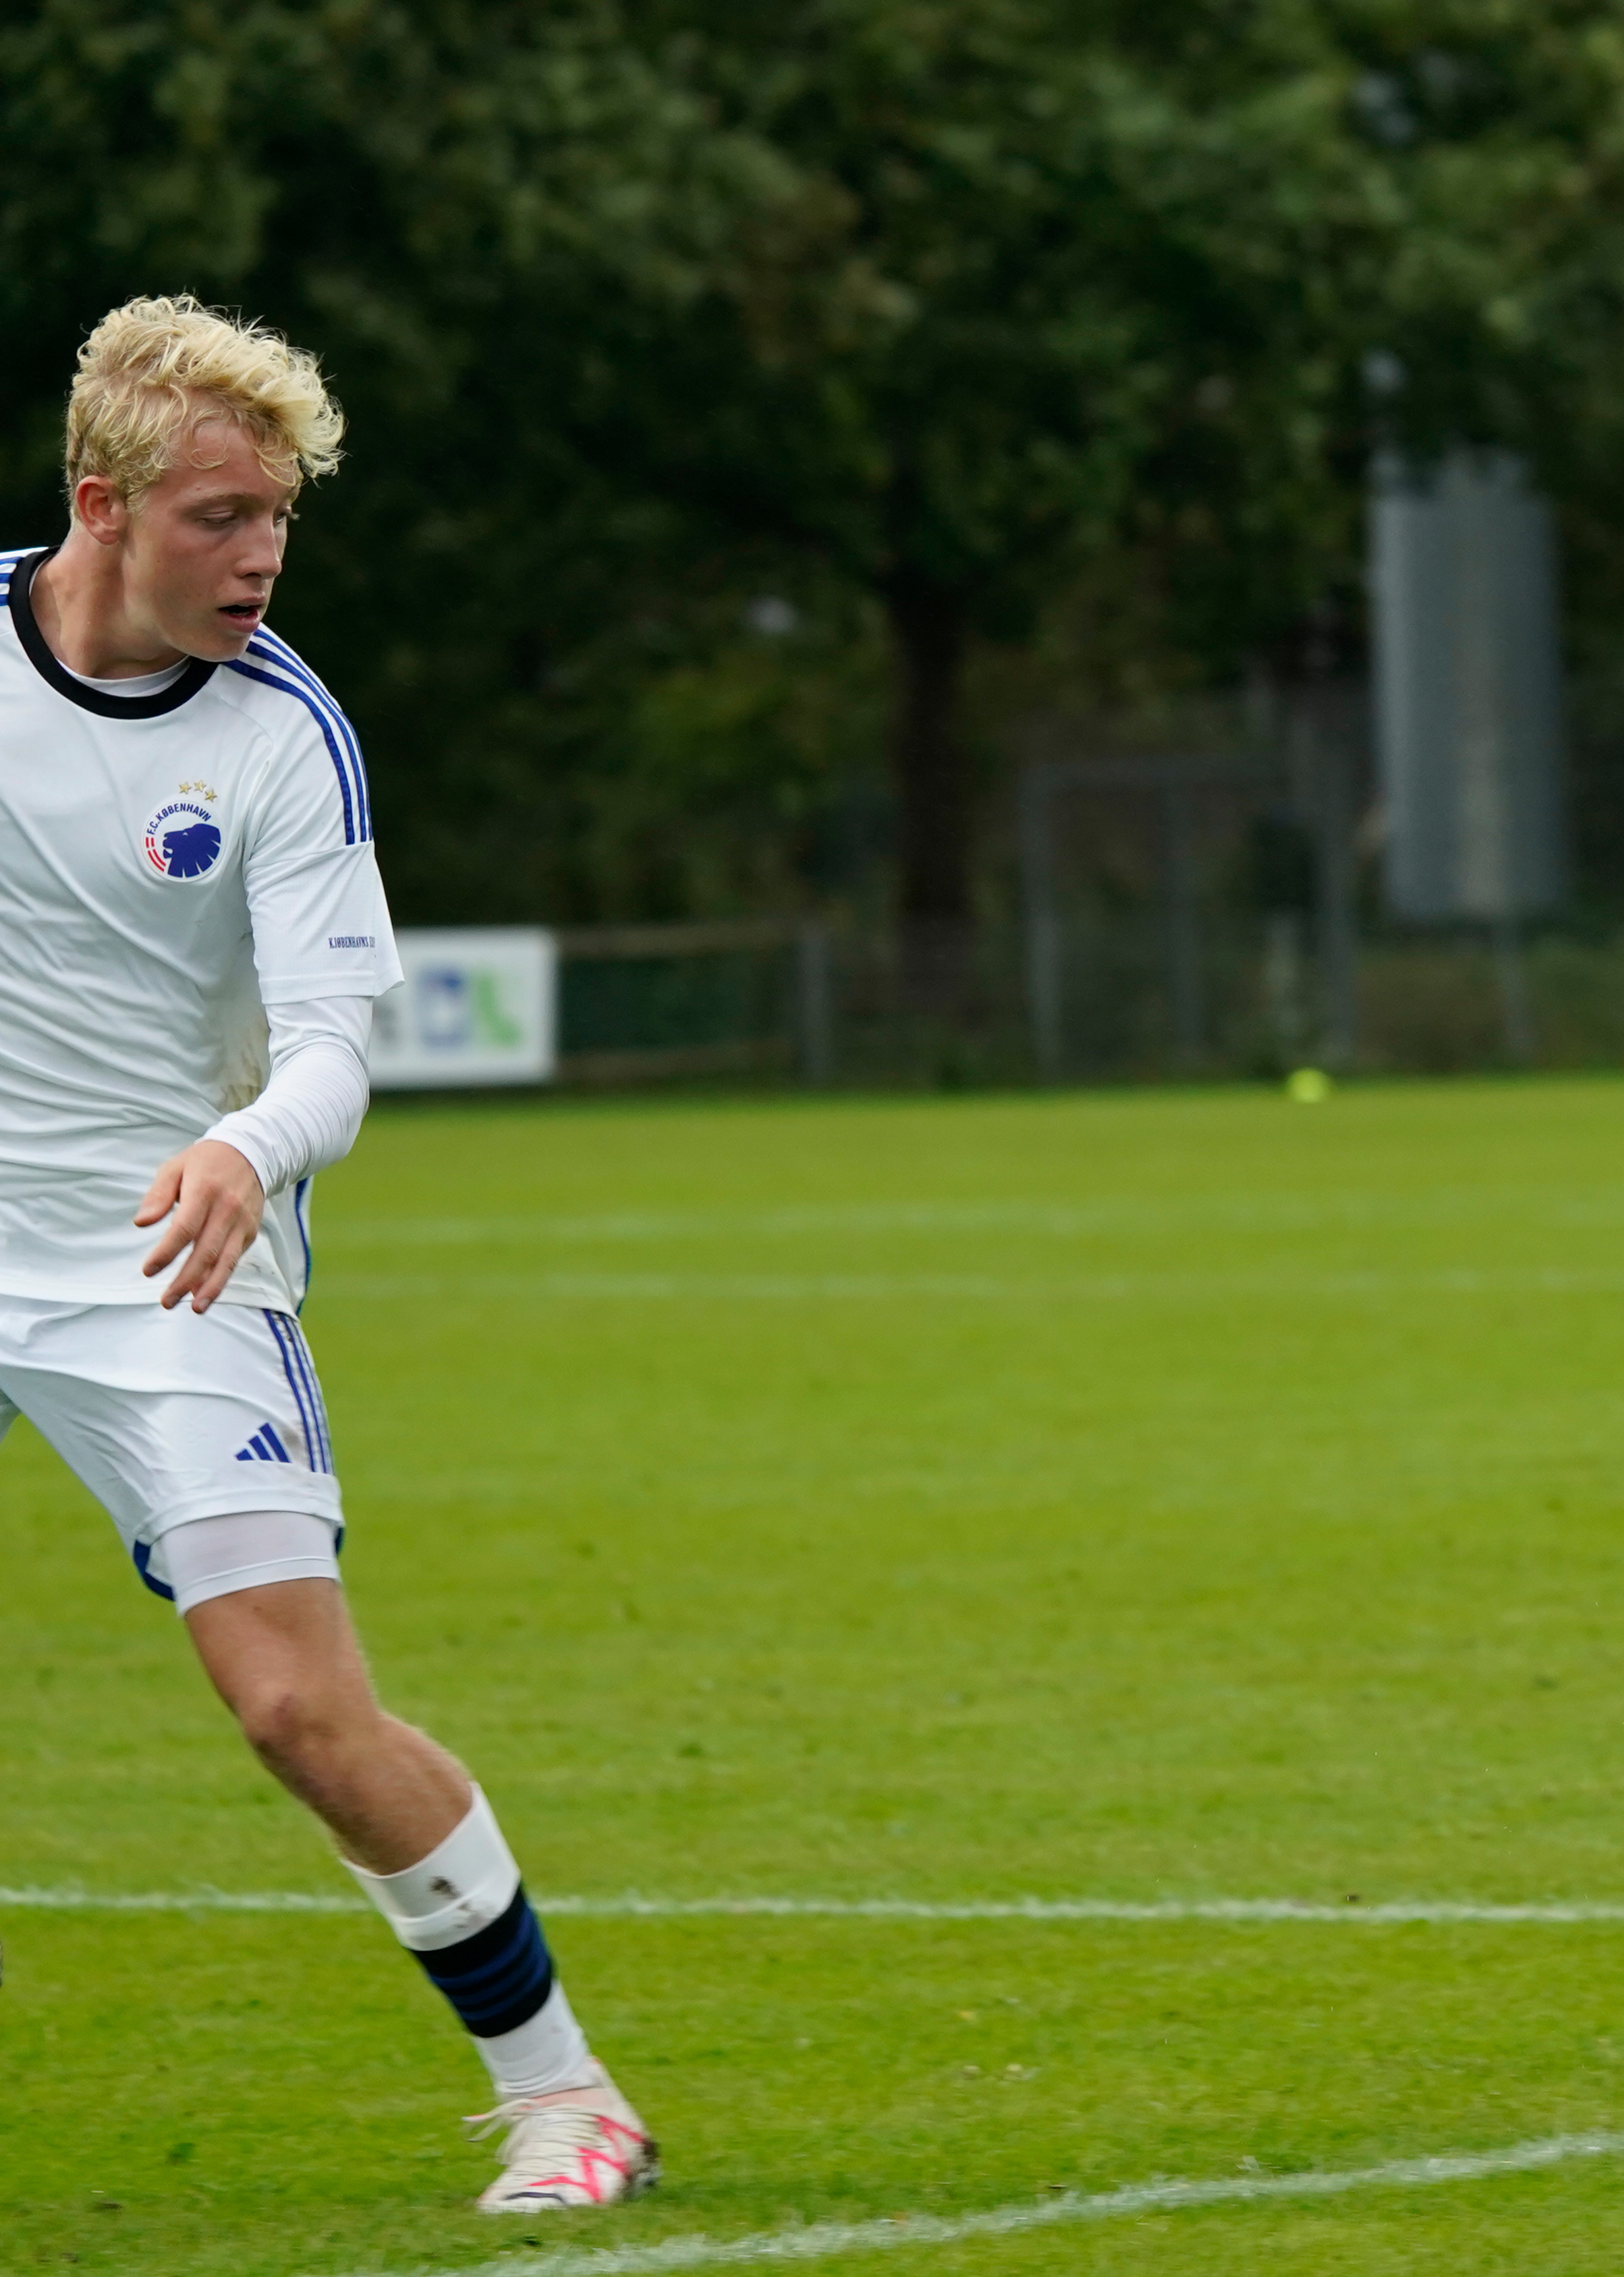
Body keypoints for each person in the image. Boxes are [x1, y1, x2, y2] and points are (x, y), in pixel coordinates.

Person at [4, 300, 654, 2210]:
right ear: (101, 503)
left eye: (279, 513)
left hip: (165, 1258)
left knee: (297, 1705)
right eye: (220, 514)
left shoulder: (282, 735)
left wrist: (239, 1146)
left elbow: (341, 1052)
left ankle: (566, 2091)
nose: (262, 553)